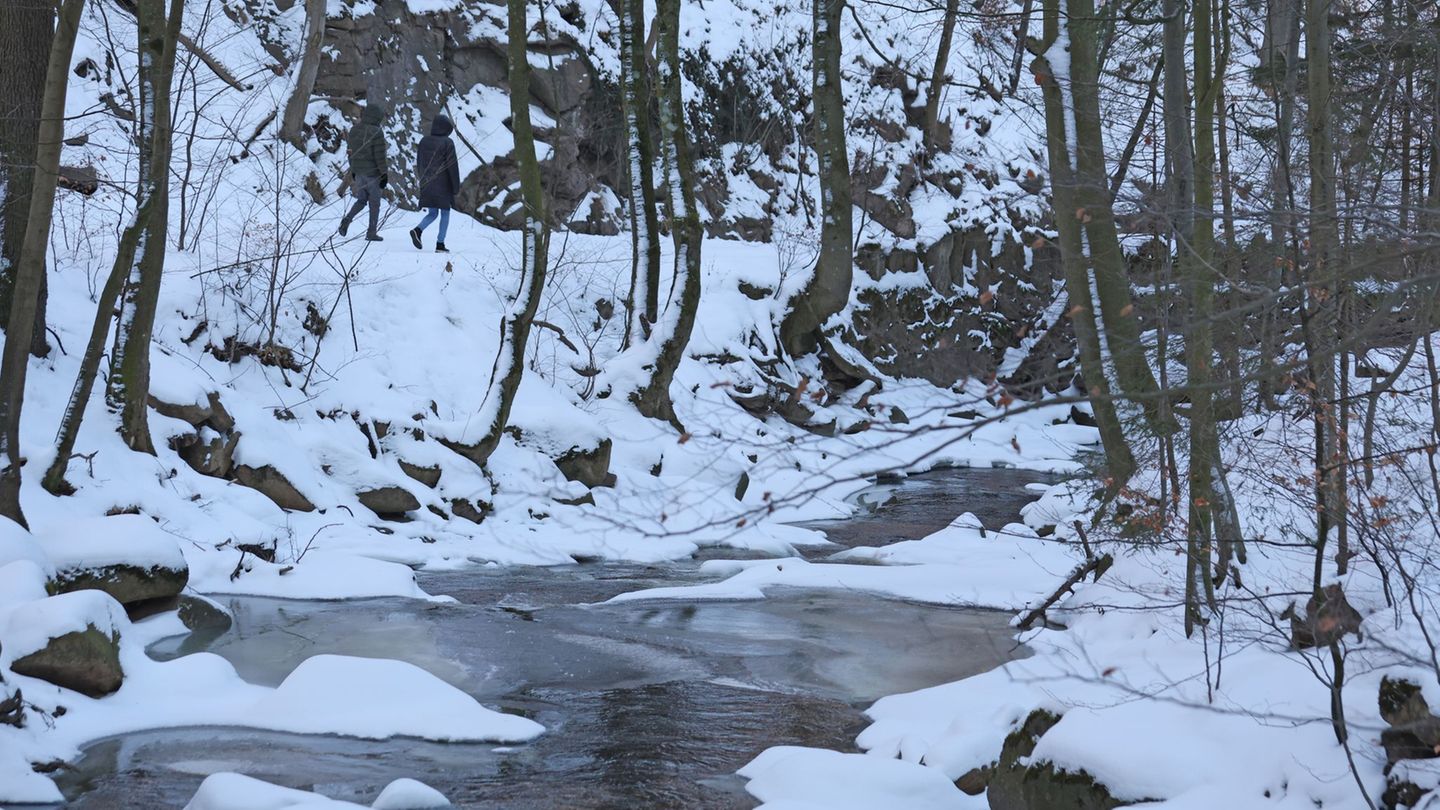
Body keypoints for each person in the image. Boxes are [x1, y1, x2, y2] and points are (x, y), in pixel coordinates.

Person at [339, 102, 389, 242]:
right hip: (373, 175)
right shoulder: (377, 132)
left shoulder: (354, 129)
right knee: (375, 204)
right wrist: (384, 174)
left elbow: (350, 152)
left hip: (359, 173)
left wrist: (353, 169)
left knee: (361, 200)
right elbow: (379, 156)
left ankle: (347, 219)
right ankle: (371, 232)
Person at [411, 114, 461, 253]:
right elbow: (452, 166)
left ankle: (417, 230)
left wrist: (423, 180)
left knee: (433, 213)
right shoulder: (447, 143)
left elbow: (419, 162)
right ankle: (440, 244)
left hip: (427, 182)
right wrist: (455, 186)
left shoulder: (424, 141)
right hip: (443, 185)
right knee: (445, 213)